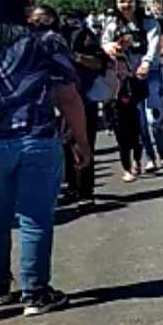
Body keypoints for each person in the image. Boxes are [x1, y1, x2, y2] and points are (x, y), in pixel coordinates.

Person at [0, 0, 91, 315]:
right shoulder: (45, 42)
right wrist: (81, 140)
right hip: (36, 138)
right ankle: (35, 293)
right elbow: (68, 96)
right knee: (34, 217)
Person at [102, 0, 163, 180]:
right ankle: (148, 157)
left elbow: (154, 45)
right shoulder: (112, 25)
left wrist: (146, 63)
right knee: (139, 119)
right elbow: (104, 43)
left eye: (129, 0)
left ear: (136, 1)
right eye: (121, 1)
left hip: (151, 73)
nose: (126, 5)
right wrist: (111, 47)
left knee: (154, 118)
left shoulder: (149, 23)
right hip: (127, 77)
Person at [64, 16, 107, 206]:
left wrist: (76, 57)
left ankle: (85, 191)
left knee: (84, 142)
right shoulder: (34, 38)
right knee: (64, 146)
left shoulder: (83, 35)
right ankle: (71, 186)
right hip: (52, 100)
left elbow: (99, 62)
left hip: (83, 97)